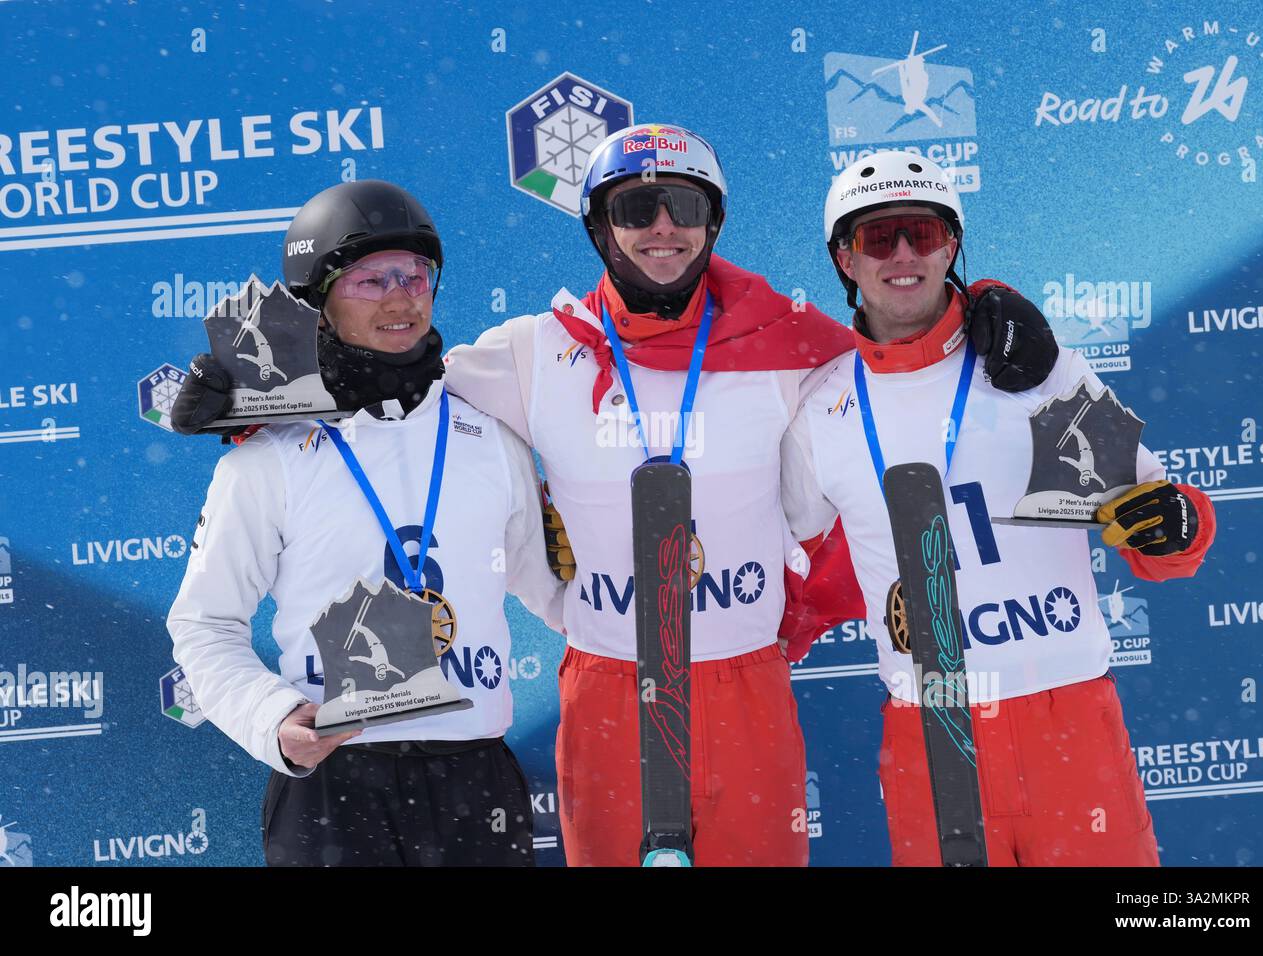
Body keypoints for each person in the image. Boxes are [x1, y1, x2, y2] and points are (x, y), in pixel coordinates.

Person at [441, 125, 1057, 866]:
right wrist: (261, 419)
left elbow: (904, 345)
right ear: (601, 228)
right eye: (638, 209)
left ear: (715, 222)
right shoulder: (535, 351)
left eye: (683, 206)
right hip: (609, 686)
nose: (662, 227)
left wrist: (989, 301)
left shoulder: (785, 343)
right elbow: (393, 384)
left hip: (745, 684)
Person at [780, 149, 1216, 866]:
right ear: (843, 259)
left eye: (921, 233)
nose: (901, 255)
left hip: (1068, 720)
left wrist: (1179, 525)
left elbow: (1163, 524)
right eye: (875, 238)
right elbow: (778, 556)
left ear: (952, 244)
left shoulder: (1036, 365)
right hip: (929, 729)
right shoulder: (819, 407)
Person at [167, 180, 564, 867]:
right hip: (336, 791)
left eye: (415, 273)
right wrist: (274, 720)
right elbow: (204, 624)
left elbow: (560, 597)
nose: (400, 295)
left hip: (476, 786)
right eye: (369, 279)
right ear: (317, 301)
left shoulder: (491, 436)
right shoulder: (269, 458)